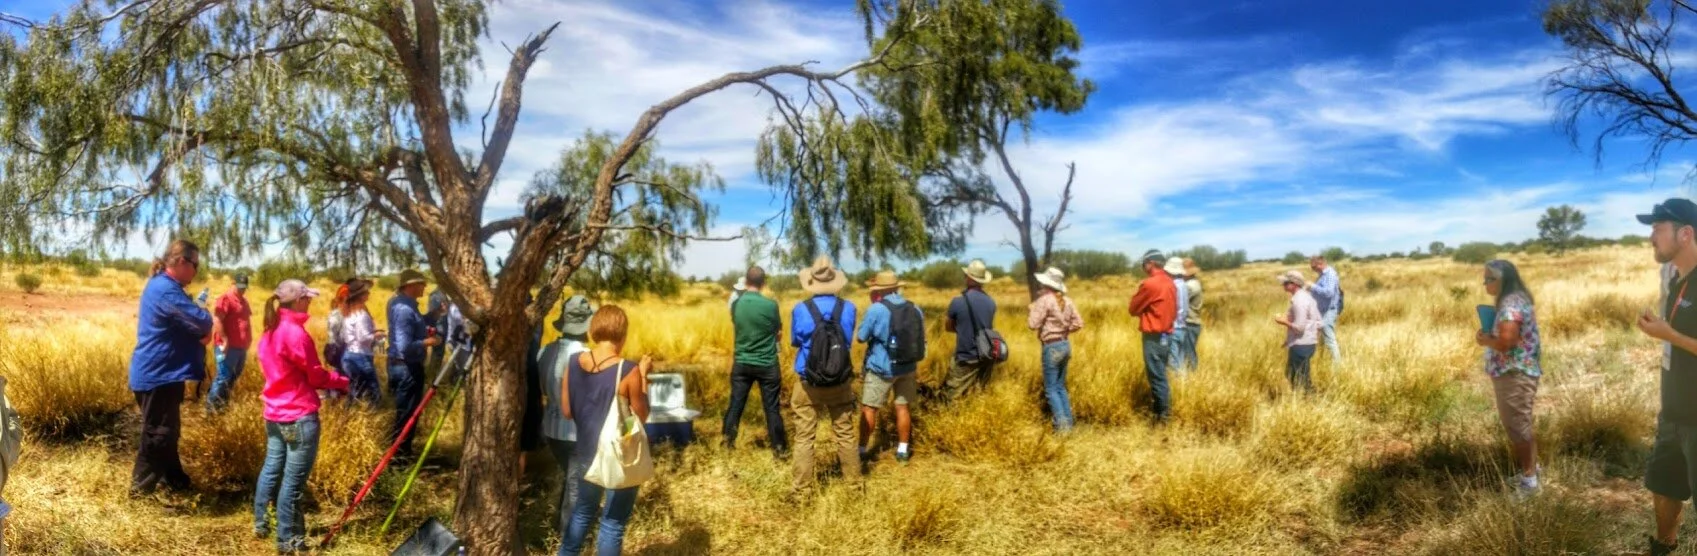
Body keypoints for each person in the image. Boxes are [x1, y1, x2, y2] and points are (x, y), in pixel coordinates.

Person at [252, 279, 349, 553]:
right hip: (298, 416)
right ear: (297, 301)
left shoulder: (269, 331)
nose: (310, 302)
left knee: (272, 468)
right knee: (292, 484)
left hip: (274, 413)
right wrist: (342, 381)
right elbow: (316, 375)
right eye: (307, 298)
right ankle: (289, 541)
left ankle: (261, 523)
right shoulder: (295, 333)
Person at [1631, 198, 1697, 556]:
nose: (1651, 237)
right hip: (1672, 411)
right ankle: (1664, 546)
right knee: (1664, 484)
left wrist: (1667, 335)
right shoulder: (1675, 279)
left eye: (1658, 229)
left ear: (1685, 234)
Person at [560, 305, 651, 556]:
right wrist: (643, 376)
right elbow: (640, 415)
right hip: (617, 454)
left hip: (584, 452)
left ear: (593, 330)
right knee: (612, 523)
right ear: (623, 334)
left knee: (582, 512)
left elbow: (567, 411)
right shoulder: (628, 369)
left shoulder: (573, 362)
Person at [129, 239, 213, 496]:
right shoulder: (167, 290)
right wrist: (203, 325)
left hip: (162, 372)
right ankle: (139, 491)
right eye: (194, 264)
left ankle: (174, 479)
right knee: (159, 434)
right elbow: (201, 321)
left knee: (168, 430)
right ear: (180, 262)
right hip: (159, 374)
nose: (196, 271)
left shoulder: (165, 287)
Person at [790, 256, 860, 498]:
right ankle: (854, 488)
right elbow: (848, 339)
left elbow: (795, 341)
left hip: (808, 381)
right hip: (840, 379)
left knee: (804, 436)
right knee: (845, 433)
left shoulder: (801, 309)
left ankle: (801, 492)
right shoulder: (848, 307)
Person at [1474, 259, 1542, 498]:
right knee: (1520, 424)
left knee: (1517, 427)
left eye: (1489, 279)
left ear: (1502, 280)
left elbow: (1507, 342)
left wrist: (1485, 340)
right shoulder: (1514, 299)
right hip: (1516, 372)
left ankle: (1530, 481)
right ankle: (1531, 470)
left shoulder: (1510, 303)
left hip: (1514, 373)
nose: (1485, 284)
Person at [539, 295, 593, 547]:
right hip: (576, 432)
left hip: (550, 429)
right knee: (575, 486)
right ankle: (568, 541)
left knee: (571, 478)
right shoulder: (587, 357)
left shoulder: (545, 351)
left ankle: (564, 528)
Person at [856, 270, 921, 463]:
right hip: (907, 366)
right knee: (902, 408)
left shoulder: (876, 309)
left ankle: (861, 450)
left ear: (879, 289)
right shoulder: (915, 308)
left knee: (869, 408)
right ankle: (902, 451)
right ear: (897, 287)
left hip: (881, 368)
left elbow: (861, 337)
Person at [724, 267, 789, 459]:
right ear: (763, 283)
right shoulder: (771, 305)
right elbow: (778, 332)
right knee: (772, 408)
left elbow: (739, 326)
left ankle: (727, 443)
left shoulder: (736, 305)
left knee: (736, 404)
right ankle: (779, 449)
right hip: (767, 363)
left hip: (742, 362)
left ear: (746, 283)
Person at [386, 269, 439, 456]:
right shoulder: (404, 309)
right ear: (410, 286)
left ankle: (401, 453)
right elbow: (405, 346)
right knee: (406, 414)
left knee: (408, 412)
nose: (424, 287)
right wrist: (428, 342)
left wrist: (432, 316)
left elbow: (414, 326)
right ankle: (399, 458)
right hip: (407, 367)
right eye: (420, 283)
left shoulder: (404, 304)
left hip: (404, 366)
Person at [1028, 267, 1084, 433]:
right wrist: (1065, 330)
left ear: (1045, 283)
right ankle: (1068, 423)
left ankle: (1063, 429)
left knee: (1051, 389)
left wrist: (1031, 310)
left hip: (1051, 346)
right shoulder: (1068, 301)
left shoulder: (1044, 300)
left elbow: (1032, 324)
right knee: (1060, 387)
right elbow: (1079, 323)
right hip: (1064, 344)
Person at [1128, 250, 1177, 423]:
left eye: (1144, 263)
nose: (1143, 266)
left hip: (1154, 337)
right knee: (1161, 374)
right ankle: (1162, 413)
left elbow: (1133, 309)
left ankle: (1162, 418)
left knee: (1156, 377)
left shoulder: (1150, 284)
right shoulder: (1171, 282)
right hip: (1167, 335)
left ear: (1150, 263)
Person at [944, 260, 999, 401]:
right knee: (979, 393)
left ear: (969, 278)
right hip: (986, 353)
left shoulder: (958, 301)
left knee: (953, 395)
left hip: (966, 355)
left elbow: (948, 327)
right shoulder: (991, 302)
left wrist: (962, 329)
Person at [206, 273, 253, 412]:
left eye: (244, 287)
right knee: (223, 377)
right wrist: (225, 339)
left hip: (241, 347)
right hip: (227, 348)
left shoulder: (244, 302)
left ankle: (222, 406)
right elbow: (217, 320)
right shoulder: (225, 299)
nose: (241, 290)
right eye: (239, 287)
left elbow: (246, 321)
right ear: (233, 284)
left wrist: (248, 339)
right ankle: (211, 410)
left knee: (233, 377)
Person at [338, 280, 383, 407]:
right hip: (361, 356)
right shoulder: (362, 314)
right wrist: (378, 335)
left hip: (349, 354)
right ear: (361, 295)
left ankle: (349, 414)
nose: (369, 293)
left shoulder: (348, 312)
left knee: (355, 390)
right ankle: (374, 415)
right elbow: (363, 338)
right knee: (373, 391)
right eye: (366, 291)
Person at [1275, 271, 1322, 393]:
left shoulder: (1298, 301)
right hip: (1307, 343)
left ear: (1294, 284)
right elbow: (1318, 322)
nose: (1283, 285)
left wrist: (1282, 321)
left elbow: (1299, 327)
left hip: (1301, 344)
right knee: (1297, 375)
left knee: (1299, 378)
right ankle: (1305, 399)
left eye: (1285, 283)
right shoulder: (1307, 297)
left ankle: (1307, 401)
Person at [1309, 255, 1343, 362]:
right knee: (1323, 339)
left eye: (1314, 267)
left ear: (1321, 264)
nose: (1313, 269)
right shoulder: (1322, 275)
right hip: (1322, 311)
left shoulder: (1330, 275)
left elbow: (1329, 292)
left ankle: (1337, 367)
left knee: (1330, 340)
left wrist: (1312, 286)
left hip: (1329, 311)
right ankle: (1323, 360)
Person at [1164, 257, 1191, 372]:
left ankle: (1178, 387)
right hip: (1183, 326)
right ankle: (1184, 386)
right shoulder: (1184, 285)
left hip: (1173, 327)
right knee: (1180, 360)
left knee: (1172, 362)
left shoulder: (1172, 286)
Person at [1182, 258, 1204, 369]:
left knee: (1188, 355)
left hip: (1190, 324)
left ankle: (1192, 379)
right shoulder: (1195, 282)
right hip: (1193, 323)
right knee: (1188, 353)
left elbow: (1178, 301)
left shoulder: (1190, 286)